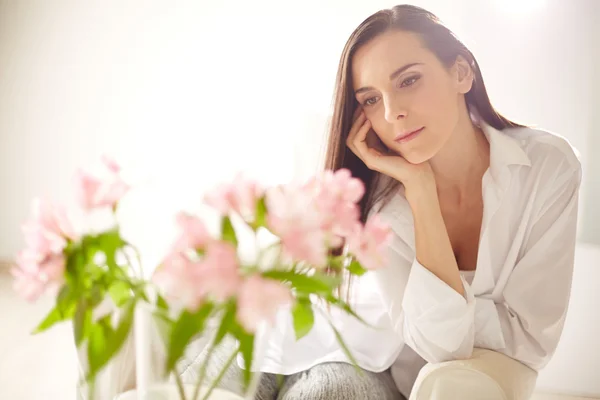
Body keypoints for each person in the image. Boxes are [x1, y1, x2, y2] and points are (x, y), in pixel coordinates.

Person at [180, 4, 582, 399]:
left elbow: (515, 340)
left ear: (461, 72)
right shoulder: (375, 197)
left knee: (327, 392)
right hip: (291, 327)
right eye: (371, 99)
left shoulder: (546, 167)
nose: (392, 113)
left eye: (408, 81)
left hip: (372, 361)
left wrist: (421, 192)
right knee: (199, 387)